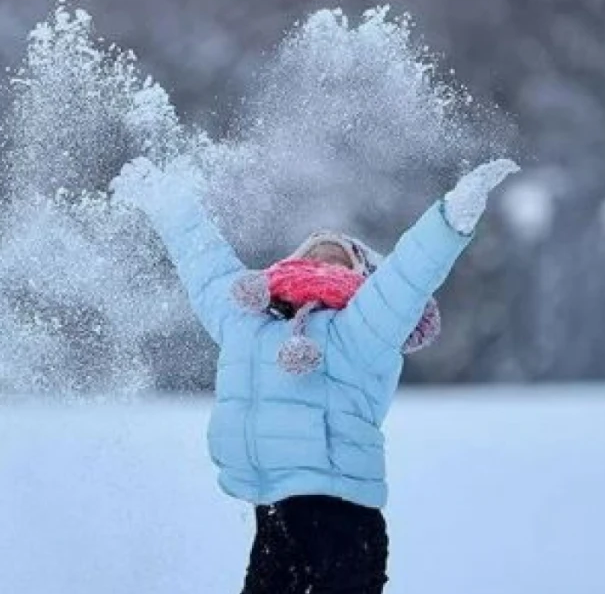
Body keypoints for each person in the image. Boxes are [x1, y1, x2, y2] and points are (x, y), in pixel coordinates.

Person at [111, 155, 519, 594]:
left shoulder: (363, 326)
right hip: (272, 516)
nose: (325, 250)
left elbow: (408, 276)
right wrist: (168, 202)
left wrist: (451, 217)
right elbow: (205, 267)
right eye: (313, 250)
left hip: (343, 521)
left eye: (341, 255)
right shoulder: (247, 321)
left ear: (363, 277)